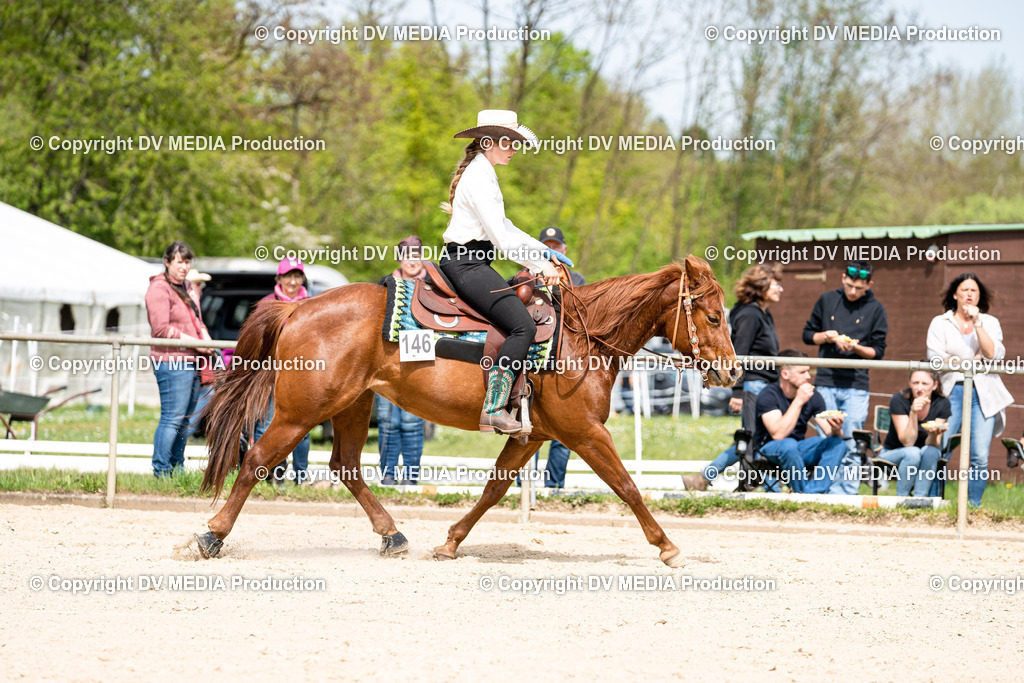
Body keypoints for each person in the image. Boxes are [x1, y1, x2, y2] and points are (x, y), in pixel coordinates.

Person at [439, 109, 568, 434]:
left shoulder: (484, 173)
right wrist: (541, 265)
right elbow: (502, 239)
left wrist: (543, 251)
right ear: (489, 142)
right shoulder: (479, 178)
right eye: (509, 142)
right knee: (523, 327)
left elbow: (506, 227)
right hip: (466, 264)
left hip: (473, 261)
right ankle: (494, 408)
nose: (514, 149)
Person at [683, 263, 782, 491]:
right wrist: (738, 391)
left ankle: (744, 483)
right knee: (752, 438)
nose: (781, 289)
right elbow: (738, 354)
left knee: (756, 438)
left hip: (765, 384)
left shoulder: (763, 313)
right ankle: (710, 478)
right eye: (776, 284)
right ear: (761, 286)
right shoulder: (750, 314)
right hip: (753, 385)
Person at [926, 272, 1013, 507]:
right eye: (964, 290)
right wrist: (969, 361)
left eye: (974, 290)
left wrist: (977, 324)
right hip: (951, 392)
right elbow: (935, 358)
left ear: (979, 296)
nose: (969, 294)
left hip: (982, 393)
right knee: (941, 449)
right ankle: (934, 502)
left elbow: (992, 354)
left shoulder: (990, 322)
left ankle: (973, 507)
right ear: (955, 294)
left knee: (980, 456)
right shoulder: (940, 322)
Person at [802, 260, 887, 495]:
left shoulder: (876, 308)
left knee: (851, 440)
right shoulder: (827, 299)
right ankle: (825, 488)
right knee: (827, 438)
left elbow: (877, 352)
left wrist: (855, 347)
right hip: (826, 380)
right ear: (842, 278)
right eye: (849, 285)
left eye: (859, 288)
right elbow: (808, 335)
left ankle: (847, 491)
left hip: (856, 384)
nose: (852, 291)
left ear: (869, 285)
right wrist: (827, 337)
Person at [145, 241, 213, 477]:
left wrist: (207, 341)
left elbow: (198, 322)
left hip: (192, 359)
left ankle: (177, 468)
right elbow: (161, 329)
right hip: (171, 360)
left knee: (186, 421)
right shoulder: (159, 289)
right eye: (179, 262)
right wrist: (197, 343)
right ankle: (161, 470)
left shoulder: (188, 287)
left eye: (187, 262)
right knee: (172, 418)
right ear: (167, 262)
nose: (184, 267)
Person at [531, 227, 584, 488]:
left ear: (564, 249)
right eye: (547, 245)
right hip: (534, 357)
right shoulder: (528, 275)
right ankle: (524, 484)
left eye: (556, 245)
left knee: (565, 427)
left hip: (566, 359)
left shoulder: (577, 280)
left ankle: (553, 485)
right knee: (529, 423)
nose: (552, 250)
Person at [752, 350, 848, 493]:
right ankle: (802, 494)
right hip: (768, 449)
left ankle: (813, 493)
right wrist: (798, 401)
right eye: (802, 372)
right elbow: (778, 434)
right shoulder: (768, 394)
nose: (808, 376)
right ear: (785, 374)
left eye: (808, 371)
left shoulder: (813, 396)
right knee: (788, 444)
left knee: (838, 443)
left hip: (798, 448)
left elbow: (829, 432)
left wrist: (836, 428)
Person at [252, 256, 312, 486]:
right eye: (288, 276)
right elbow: (257, 340)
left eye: (297, 276)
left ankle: (301, 477)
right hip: (271, 373)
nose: (293, 281)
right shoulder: (267, 304)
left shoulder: (312, 304)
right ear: (279, 278)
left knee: (303, 427)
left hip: (303, 373)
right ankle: (267, 475)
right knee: (267, 425)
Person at [376, 236, 428, 485]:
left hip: (419, 357)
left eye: (416, 255)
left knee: (411, 421)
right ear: (400, 259)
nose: (412, 260)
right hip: (388, 358)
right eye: (407, 255)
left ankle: (410, 477)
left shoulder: (433, 283)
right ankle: (387, 475)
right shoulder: (386, 284)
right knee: (387, 421)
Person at [878, 368, 951, 497]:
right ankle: (902, 499)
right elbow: (908, 442)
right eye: (915, 383)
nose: (920, 388)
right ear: (909, 383)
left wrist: (933, 434)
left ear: (934, 385)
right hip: (892, 453)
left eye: (925, 383)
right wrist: (913, 412)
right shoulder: (899, 400)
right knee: (912, 453)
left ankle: (920, 498)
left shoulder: (942, 403)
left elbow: (934, 444)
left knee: (931, 451)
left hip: (923, 455)